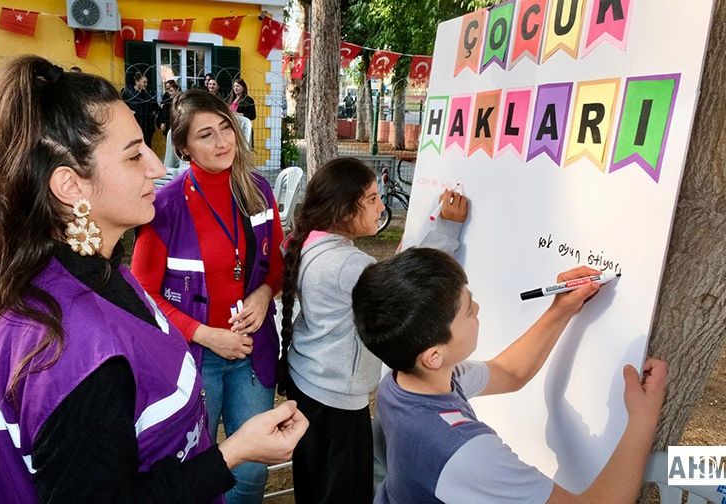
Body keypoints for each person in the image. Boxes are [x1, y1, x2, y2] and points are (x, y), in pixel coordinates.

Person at [0, 56, 306, 503]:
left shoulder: (98, 274)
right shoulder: (71, 353)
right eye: (135, 154)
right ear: (71, 186)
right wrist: (232, 452)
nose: (157, 167)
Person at [352, 248, 668, 504]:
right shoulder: (468, 454)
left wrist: (561, 308)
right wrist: (642, 419)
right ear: (433, 356)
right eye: (467, 312)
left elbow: (509, 372)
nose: (477, 307)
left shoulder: (402, 384)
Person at [278, 157, 468, 504]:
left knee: (314, 483)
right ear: (344, 209)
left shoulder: (307, 242)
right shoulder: (347, 264)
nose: (381, 206)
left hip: (308, 382)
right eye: (372, 198)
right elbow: (411, 290)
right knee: (344, 493)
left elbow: (382, 278)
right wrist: (446, 229)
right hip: (335, 399)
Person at [132, 89, 285, 504]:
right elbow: (142, 292)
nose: (222, 142)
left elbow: (275, 268)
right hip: (194, 358)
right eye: (206, 135)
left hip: (252, 351)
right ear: (183, 147)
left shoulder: (258, 190)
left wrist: (264, 294)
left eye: (225, 128)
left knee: (251, 472)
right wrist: (205, 334)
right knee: (197, 473)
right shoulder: (163, 205)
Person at [121, 71, 160, 148]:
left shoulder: (147, 94)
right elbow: (121, 106)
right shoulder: (127, 93)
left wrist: (154, 115)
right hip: (133, 126)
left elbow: (155, 107)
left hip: (147, 128)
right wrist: (129, 112)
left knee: (147, 147)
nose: (146, 84)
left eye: (146, 82)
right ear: (137, 81)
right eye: (144, 82)